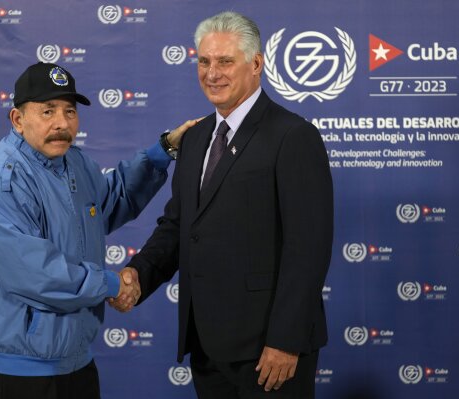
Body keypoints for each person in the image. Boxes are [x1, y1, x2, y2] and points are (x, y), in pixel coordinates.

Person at [115, 11, 334, 399]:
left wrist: (286, 340)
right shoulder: (196, 137)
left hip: (268, 350)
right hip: (207, 344)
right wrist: (138, 275)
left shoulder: (293, 136)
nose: (212, 73)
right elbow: (179, 225)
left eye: (225, 61)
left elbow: (308, 249)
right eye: (204, 61)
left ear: (256, 63)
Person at [0, 61, 195, 399]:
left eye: (69, 111)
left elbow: (111, 202)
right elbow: (35, 272)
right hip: (21, 368)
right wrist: (113, 284)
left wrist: (164, 152)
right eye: (47, 111)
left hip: (75, 359)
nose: (61, 123)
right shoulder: (2, 179)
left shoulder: (74, 161)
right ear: (17, 119)